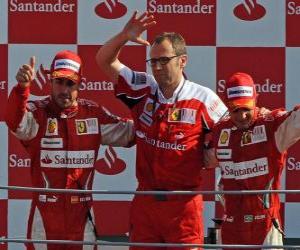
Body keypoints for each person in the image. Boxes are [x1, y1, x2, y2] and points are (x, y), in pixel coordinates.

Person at [96, 11, 228, 249]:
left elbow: (232, 139)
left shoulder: (204, 98)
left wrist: (212, 155)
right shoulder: (143, 87)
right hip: (145, 203)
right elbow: (104, 60)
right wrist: (124, 36)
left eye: (163, 60)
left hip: (183, 206)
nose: (157, 67)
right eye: (153, 61)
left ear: (182, 60)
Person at [5, 50, 134, 250]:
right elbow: (14, 123)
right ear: (50, 81)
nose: (63, 89)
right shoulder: (37, 113)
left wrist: (154, 110)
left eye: (70, 83)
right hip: (44, 215)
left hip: (81, 216)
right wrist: (22, 89)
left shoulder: (93, 114)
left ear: (80, 84)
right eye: (59, 82)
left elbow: (130, 133)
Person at [206, 72, 300, 249]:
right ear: (227, 105)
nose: (241, 116)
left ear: (256, 100)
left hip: (264, 226)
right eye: (235, 109)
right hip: (231, 226)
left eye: (246, 108)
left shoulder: (272, 124)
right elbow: (201, 157)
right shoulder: (220, 130)